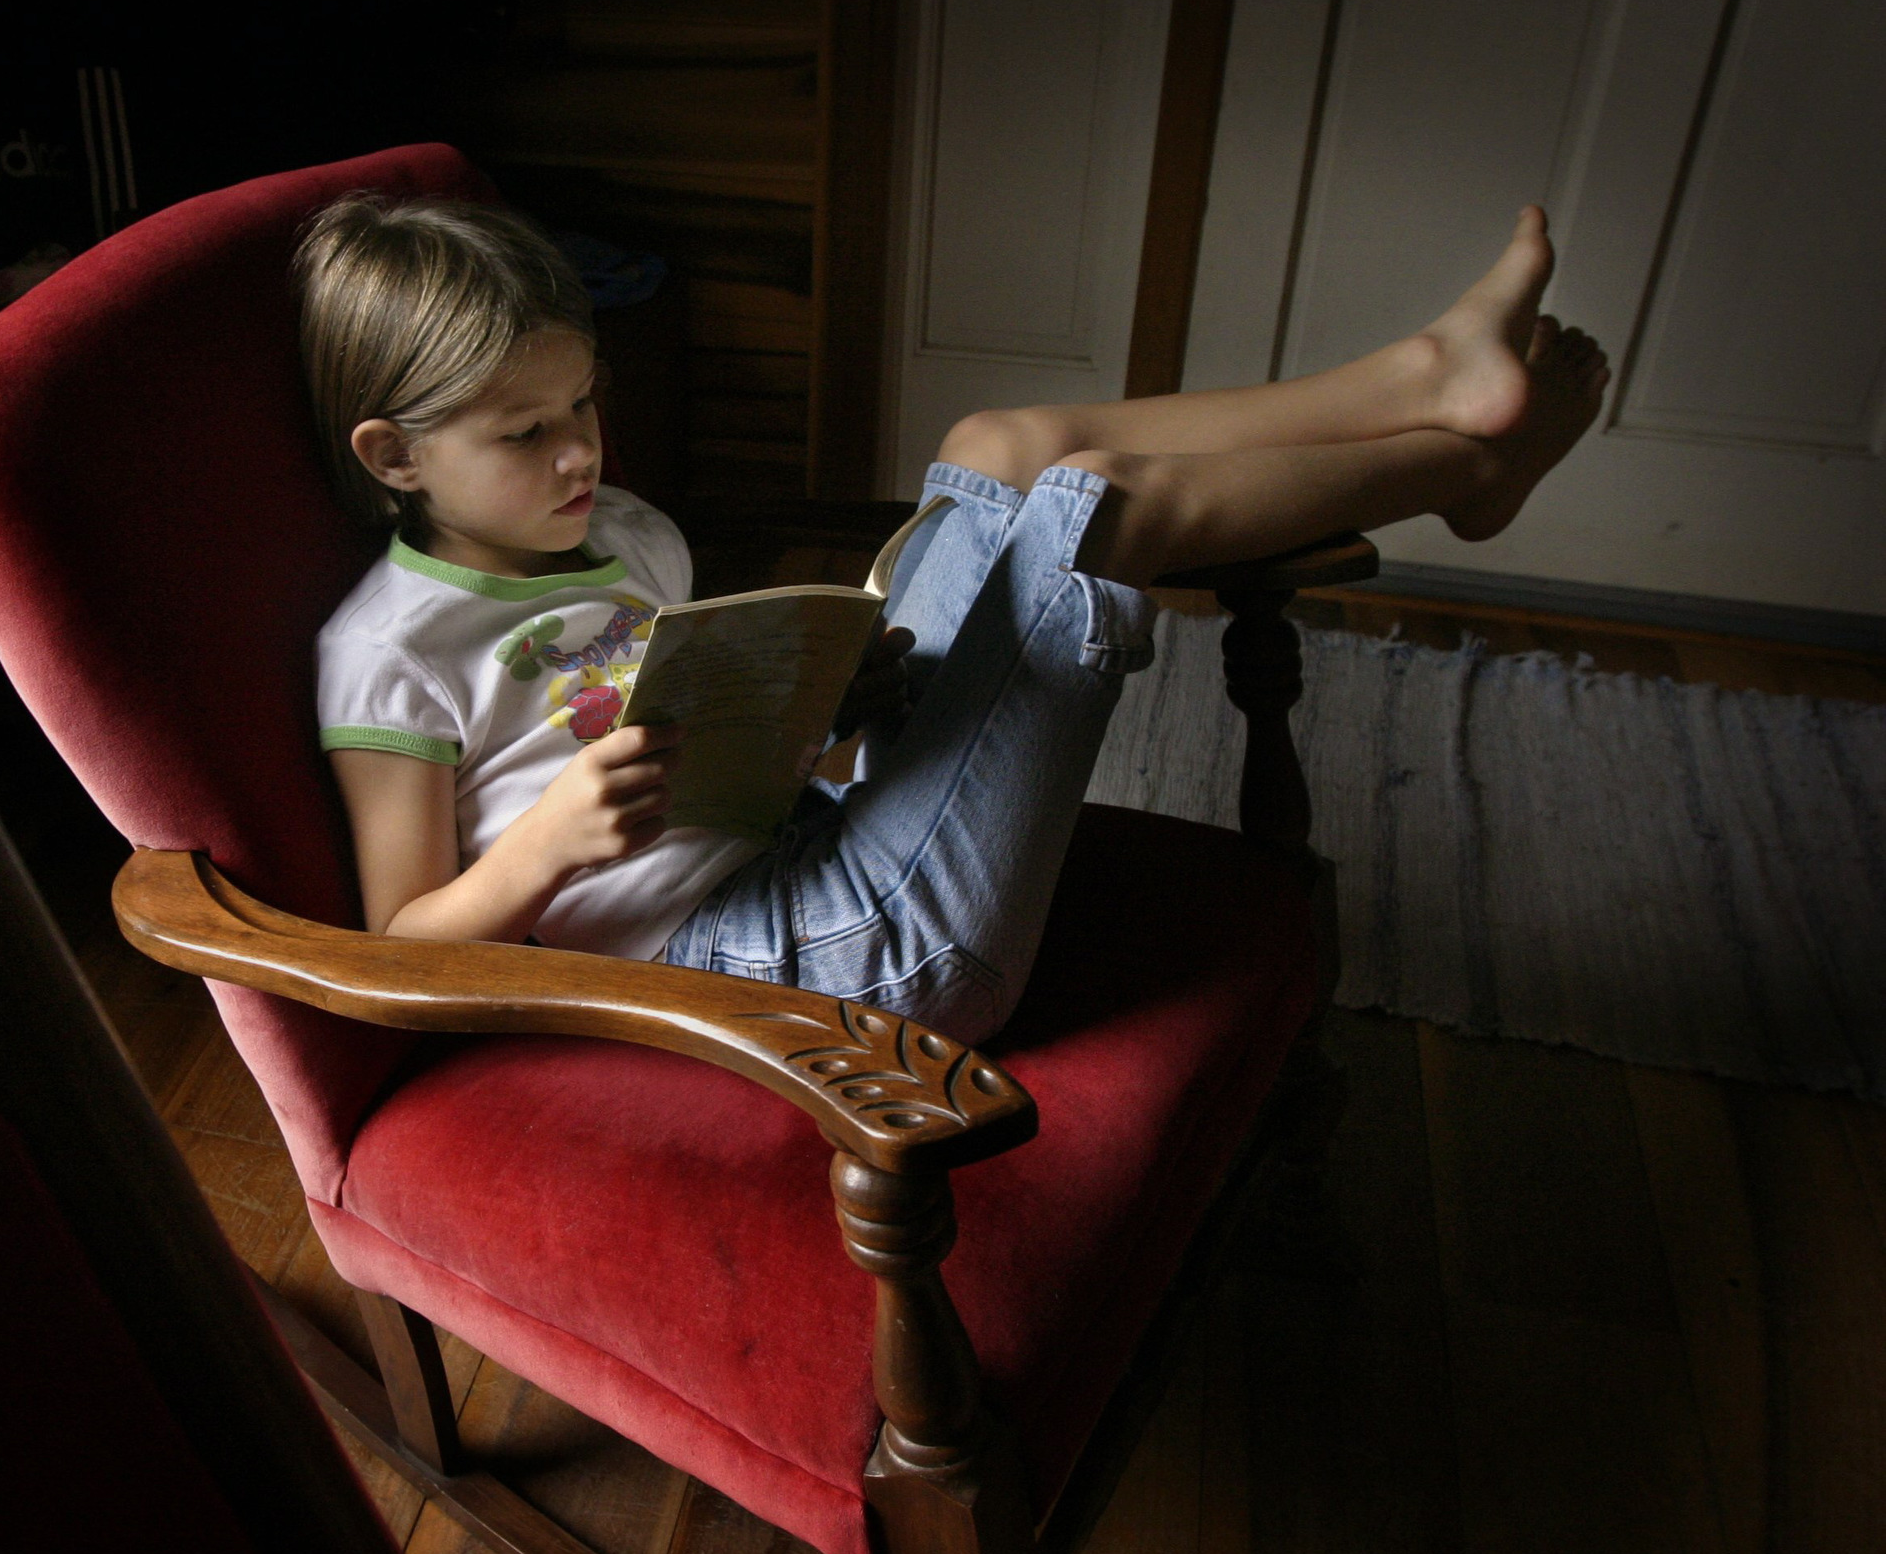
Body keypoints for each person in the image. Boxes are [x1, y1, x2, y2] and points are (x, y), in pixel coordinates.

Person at [302, 195, 1606, 1038]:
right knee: (1086, 510)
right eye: (526, 433)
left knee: (1000, 442)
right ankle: (1466, 468)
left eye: (584, 404)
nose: (580, 453)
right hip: (820, 965)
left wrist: (817, 711)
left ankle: (1427, 376)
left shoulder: (612, 532)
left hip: (817, 837)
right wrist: (546, 846)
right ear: (394, 456)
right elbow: (393, 961)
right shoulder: (388, 658)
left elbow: (727, 772)